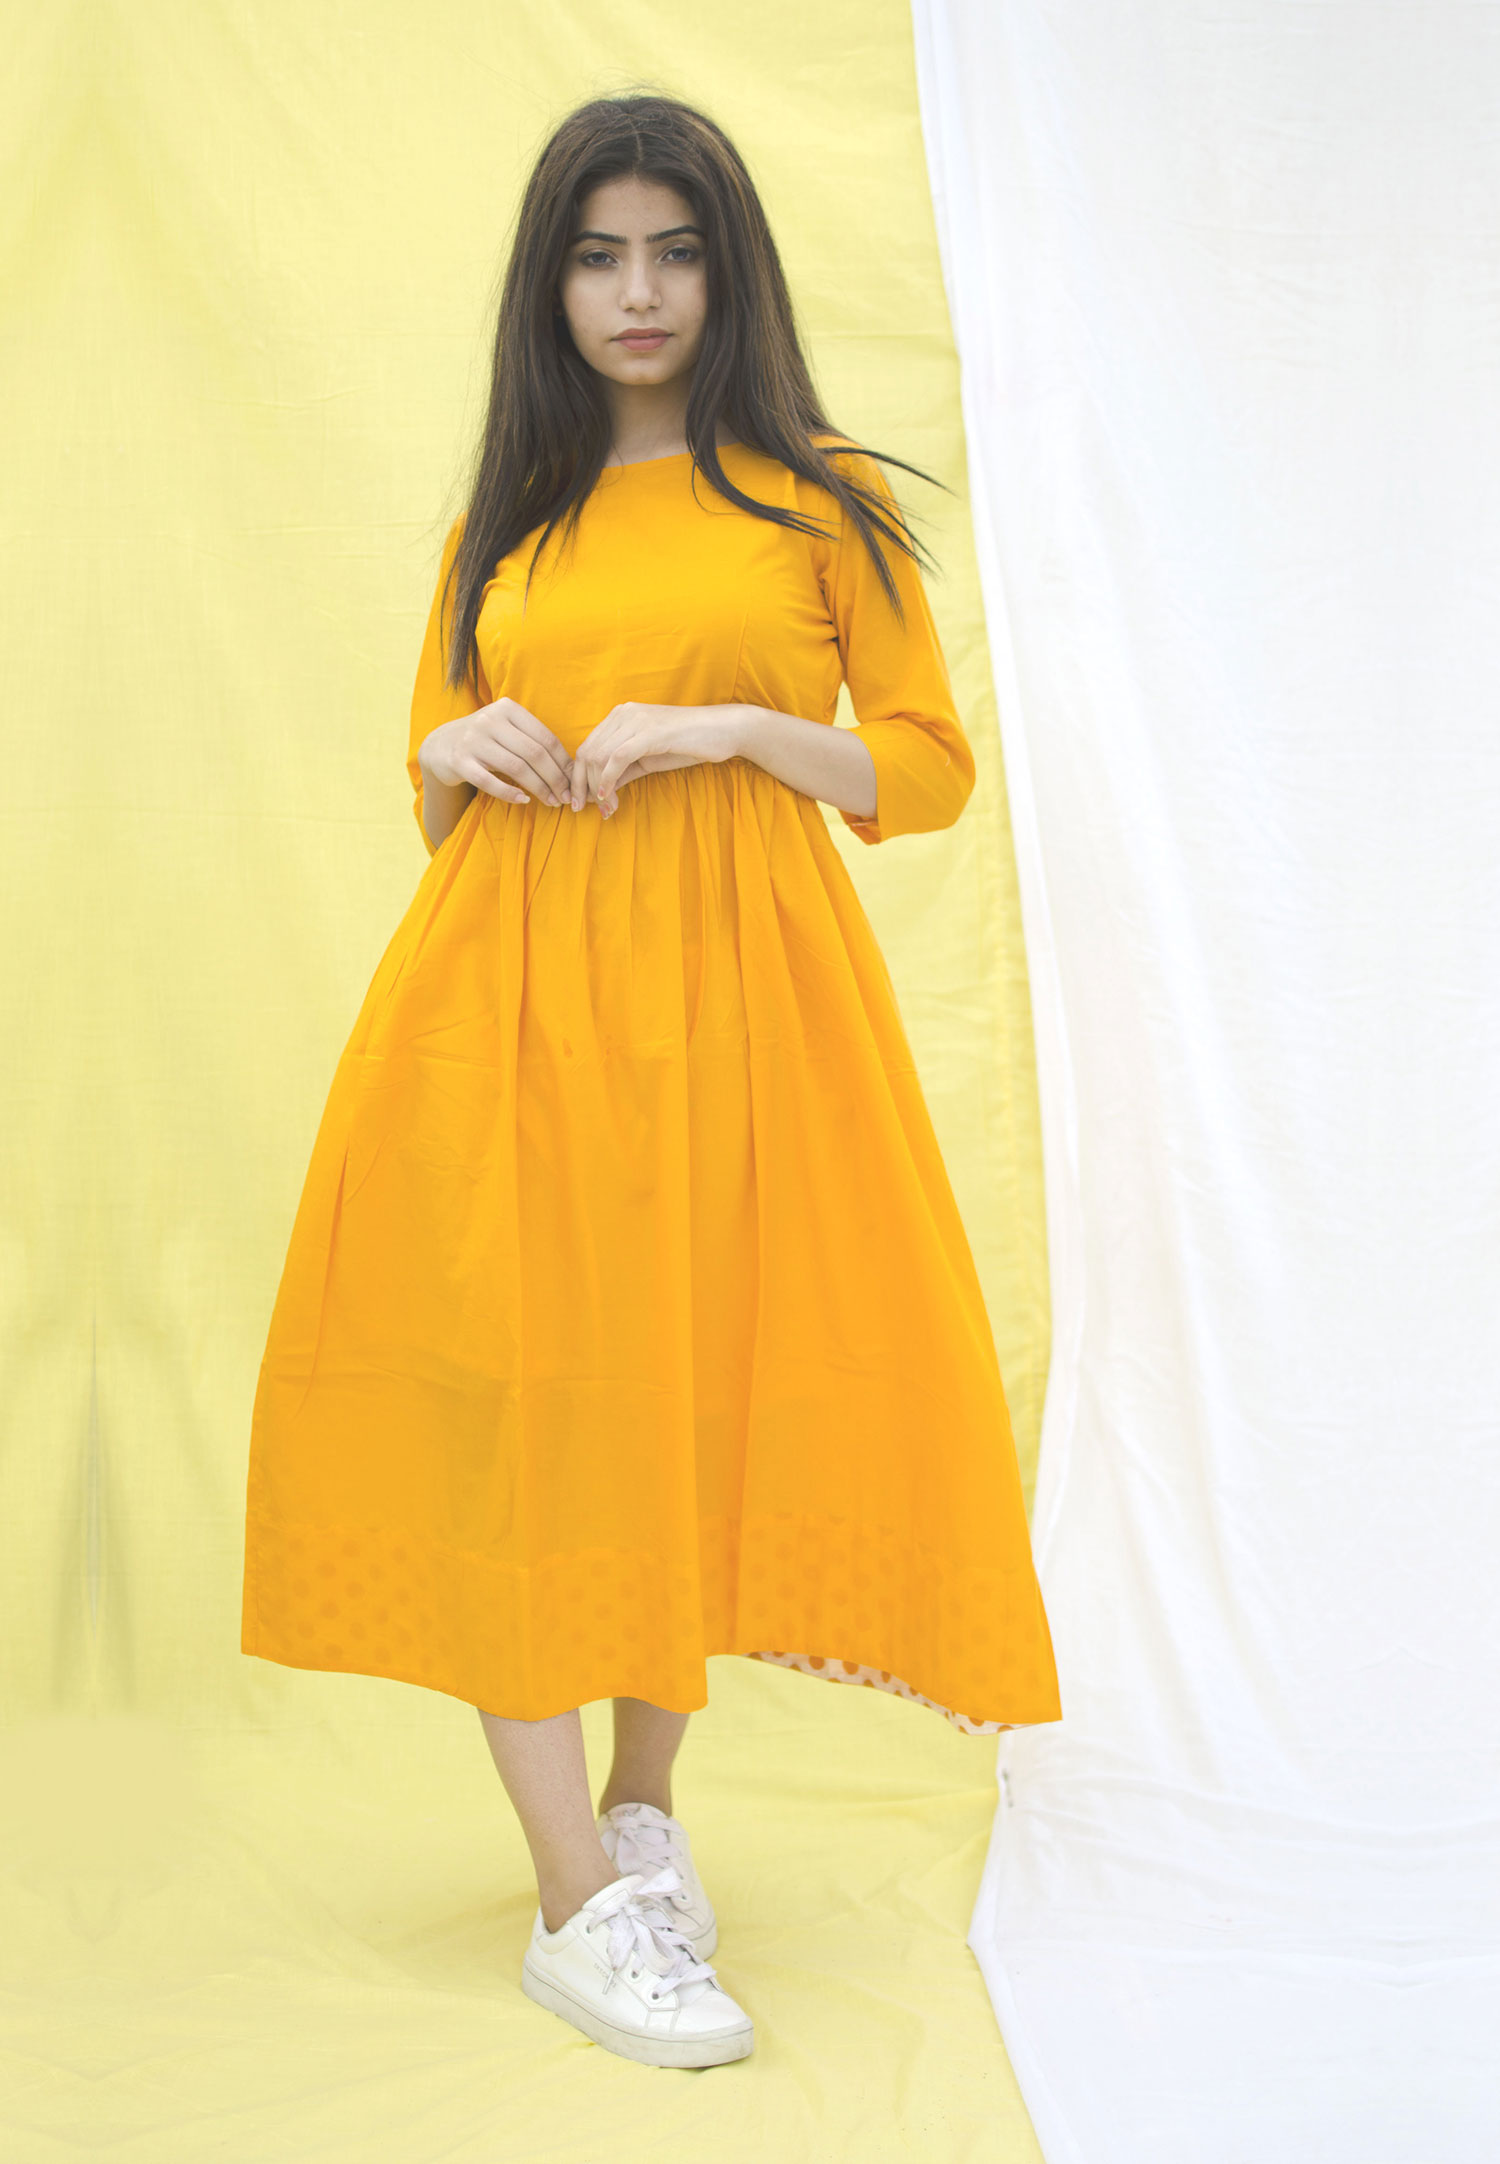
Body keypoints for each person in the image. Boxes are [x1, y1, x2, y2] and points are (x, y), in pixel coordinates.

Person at [240, 89, 1062, 2071]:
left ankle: (639, 1812)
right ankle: (573, 1906)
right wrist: (456, 753)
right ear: (552, 284)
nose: (637, 292)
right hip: (506, 1004)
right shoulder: (503, 526)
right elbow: (440, 791)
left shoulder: (817, 506)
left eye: (674, 252)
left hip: (744, 1009)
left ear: (728, 272)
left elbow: (926, 768)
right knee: (527, 1412)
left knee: (679, 1393)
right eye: (599, 255)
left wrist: (731, 726)